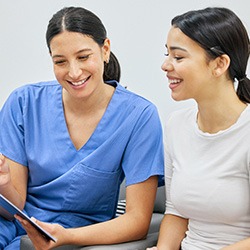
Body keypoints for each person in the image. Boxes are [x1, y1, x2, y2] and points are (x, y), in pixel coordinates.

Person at [0, 6, 164, 249]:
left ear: (105, 50)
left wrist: (66, 237)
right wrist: (3, 185)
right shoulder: (24, 103)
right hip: (12, 225)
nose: (74, 72)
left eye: (83, 57)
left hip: (76, 236)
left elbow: (137, 221)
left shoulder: (138, 117)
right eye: (60, 61)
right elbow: (15, 206)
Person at [147, 6, 250, 250]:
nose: (165, 65)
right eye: (167, 54)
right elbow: (175, 211)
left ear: (219, 64)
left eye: (178, 57)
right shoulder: (176, 125)